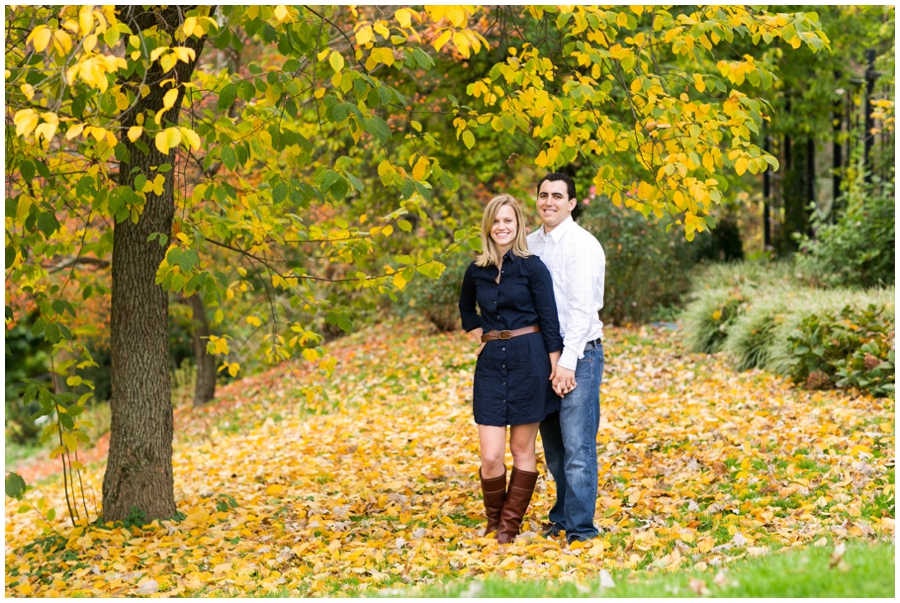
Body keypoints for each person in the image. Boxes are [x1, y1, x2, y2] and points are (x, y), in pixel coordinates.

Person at [458, 194, 563, 544]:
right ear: (488, 226)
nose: (502, 227)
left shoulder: (533, 267)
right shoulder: (476, 270)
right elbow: (466, 310)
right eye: (496, 221)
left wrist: (554, 368)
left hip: (530, 361)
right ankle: (494, 520)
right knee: (490, 456)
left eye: (509, 221)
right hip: (491, 364)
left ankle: (507, 528)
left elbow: (549, 320)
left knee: (522, 450)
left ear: (518, 225)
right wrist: (479, 334)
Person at [526, 172, 606, 545]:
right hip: (543, 357)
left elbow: (582, 311)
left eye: (558, 196)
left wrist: (567, 364)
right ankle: (562, 517)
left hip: (580, 357)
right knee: (555, 449)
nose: (549, 202)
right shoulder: (528, 245)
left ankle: (581, 530)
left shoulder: (583, 246)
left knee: (577, 448)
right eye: (544, 195)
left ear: (572, 203)